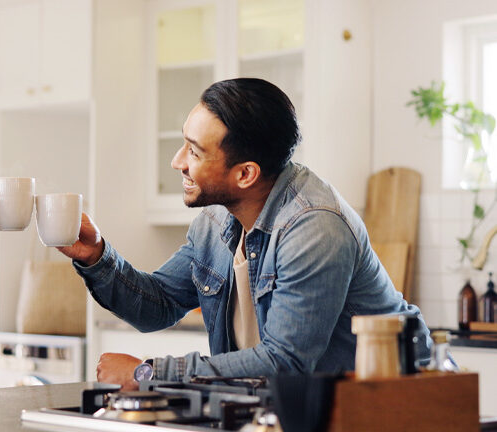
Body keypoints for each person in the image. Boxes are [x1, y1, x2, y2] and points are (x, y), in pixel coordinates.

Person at [58, 78, 432, 389]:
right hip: (289, 411)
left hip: (389, 408)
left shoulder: (315, 226)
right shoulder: (217, 219)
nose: (178, 162)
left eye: (194, 151)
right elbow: (159, 304)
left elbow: (285, 363)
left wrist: (149, 374)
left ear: (245, 174)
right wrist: (96, 256)